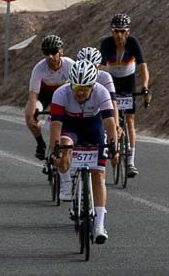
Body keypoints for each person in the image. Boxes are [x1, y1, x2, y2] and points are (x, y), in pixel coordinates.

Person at [48, 59, 119, 244]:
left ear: (92, 86)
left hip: (94, 128)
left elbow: (110, 123)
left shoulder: (101, 92)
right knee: (63, 158)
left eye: (85, 88)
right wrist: (55, 150)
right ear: (71, 84)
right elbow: (56, 125)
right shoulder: (61, 93)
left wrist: (114, 147)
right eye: (77, 87)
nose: (80, 92)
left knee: (98, 175)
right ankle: (68, 184)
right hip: (70, 128)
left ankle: (99, 226)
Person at [99, 13, 149, 178]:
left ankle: (130, 162)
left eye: (122, 31)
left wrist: (145, 87)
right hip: (112, 81)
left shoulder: (133, 42)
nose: (119, 35)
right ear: (112, 31)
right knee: (112, 118)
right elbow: (100, 67)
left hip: (128, 81)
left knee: (130, 120)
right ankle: (113, 146)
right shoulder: (106, 43)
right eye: (116, 31)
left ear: (128, 32)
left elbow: (142, 67)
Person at [25, 34, 74, 162]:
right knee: (29, 115)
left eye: (53, 52)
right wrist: (32, 114)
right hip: (45, 95)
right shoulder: (39, 68)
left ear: (61, 51)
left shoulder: (70, 65)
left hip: (64, 95)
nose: (50, 56)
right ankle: (40, 143)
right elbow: (33, 95)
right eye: (47, 53)